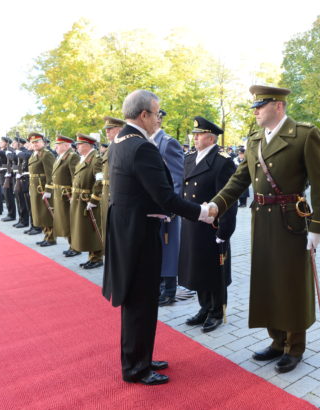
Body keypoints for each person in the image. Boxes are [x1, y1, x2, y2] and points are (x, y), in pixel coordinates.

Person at [207, 85, 320, 373]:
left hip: (292, 221)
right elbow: (239, 180)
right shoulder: (254, 140)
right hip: (262, 219)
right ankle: (276, 341)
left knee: (291, 282)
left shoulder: (304, 134)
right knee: (268, 279)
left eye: (261, 105)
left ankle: (294, 346)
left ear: (279, 106)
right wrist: (215, 205)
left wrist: (318, 228)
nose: (256, 110)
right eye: (255, 106)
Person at [102, 90, 215, 385]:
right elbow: (164, 196)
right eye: (157, 113)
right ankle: (135, 368)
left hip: (129, 229)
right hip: (139, 233)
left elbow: (135, 190)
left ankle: (140, 356)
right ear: (144, 115)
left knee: (140, 299)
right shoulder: (141, 146)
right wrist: (201, 212)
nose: (158, 118)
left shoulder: (120, 141)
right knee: (141, 300)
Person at [178, 116, 237, 333]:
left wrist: (224, 230)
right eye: (194, 134)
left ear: (211, 138)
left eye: (199, 134)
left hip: (212, 225)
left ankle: (216, 312)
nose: (195, 138)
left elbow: (229, 201)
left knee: (214, 270)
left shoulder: (222, 162)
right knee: (198, 267)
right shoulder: (190, 157)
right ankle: (204, 307)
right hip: (193, 221)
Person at [148, 110, 185, 307]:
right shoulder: (145, 141)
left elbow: (177, 179)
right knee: (157, 248)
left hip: (166, 209)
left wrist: (172, 208)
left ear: (158, 120)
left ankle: (169, 290)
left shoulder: (168, 142)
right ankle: (159, 286)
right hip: (152, 208)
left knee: (169, 248)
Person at [70, 133, 104, 269]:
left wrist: (94, 199)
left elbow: (100, 180)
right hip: (80, 199)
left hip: (89, 199)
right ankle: (92, 257)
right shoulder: (84, 158)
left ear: (87, 145)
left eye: (79, 144)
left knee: (93, 229)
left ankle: (97, 258)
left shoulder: (96, 159)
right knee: (86, 230)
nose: (77, 147)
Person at [50, 135, 80, 257]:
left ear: (66, 145)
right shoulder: (60, 157)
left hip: (67, 194)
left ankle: (75, 246)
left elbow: (75, 177)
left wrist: (73, 194)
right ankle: (70, 244)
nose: (55, 146)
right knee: (64, 220)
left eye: (58, 144)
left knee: (70, 220)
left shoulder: (72, 157)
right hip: (59, 193)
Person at [100, 116, 125, 244]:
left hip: (114, 194)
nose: (107, 132)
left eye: (110, 129)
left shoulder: (120, 146)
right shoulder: (112, 147)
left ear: (119, 130)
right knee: (106, 228)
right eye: (106, 129)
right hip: (106, 193)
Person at [28, 132, 56, 246]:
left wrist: (49, 190)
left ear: (43, 142)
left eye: (37, 142)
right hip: (35, 188)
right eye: (33, 142)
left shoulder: (46, 154)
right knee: (40, 214)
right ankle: (46, 236)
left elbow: (51, 174)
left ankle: (51, 238)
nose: (35, 144)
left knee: (47, 214)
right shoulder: (35, 154)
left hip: (43, 188)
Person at [0, 136, 17, 222]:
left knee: (9, 195)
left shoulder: (9, 150)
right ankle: (9, 213)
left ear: (6, 143)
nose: (0, 143)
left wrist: (7, 151)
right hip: (3, 174)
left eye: (2, 142)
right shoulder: (4, 151)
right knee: (6, 195)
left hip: (8, 175)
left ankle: (11, 214)